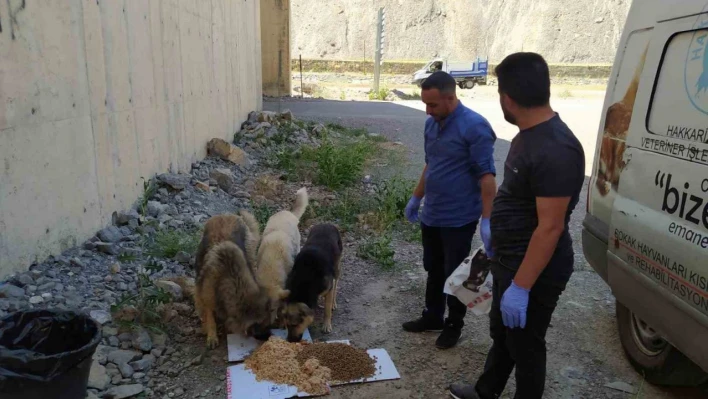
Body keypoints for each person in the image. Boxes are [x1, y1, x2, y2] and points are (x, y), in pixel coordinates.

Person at [448, 53, 586, 399]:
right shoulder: (528, 134)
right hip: (511, 258)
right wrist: (493, 226)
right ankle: (486, 392)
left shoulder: (557, 148)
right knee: (504, 333)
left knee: (526, 345)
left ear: (506, 97)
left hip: (535, 267)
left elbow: (550, 228)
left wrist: (522, 287)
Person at [403, 71, 497, 349]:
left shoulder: (475, 127)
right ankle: (433, 316)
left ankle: (454, 324)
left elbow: (487, 177)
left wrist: (487, 219)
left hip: (458, 219)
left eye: (432, 105)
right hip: (432, 215)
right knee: (433, 268)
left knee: (455, 274)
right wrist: (416, 197)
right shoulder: (431, 125)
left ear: (450, 98)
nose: (427, 111)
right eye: (425, 104)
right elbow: (430, 164)